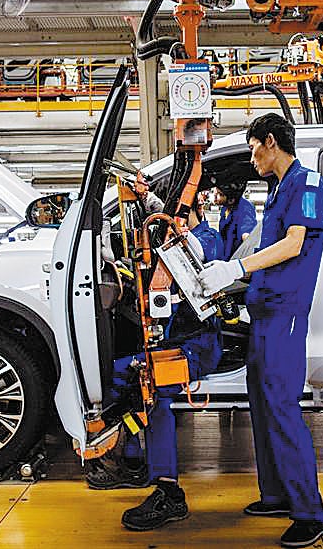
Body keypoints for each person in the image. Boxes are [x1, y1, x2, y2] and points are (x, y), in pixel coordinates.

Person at [198, 113, 323, 549]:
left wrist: (236, 267)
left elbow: (293, 245)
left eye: (253, 146)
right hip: (264, 315)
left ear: (270, 142)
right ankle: (276, 494)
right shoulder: (274, 194)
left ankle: (310, 512)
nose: (251, 156)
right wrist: (231, 281)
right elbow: (263, 251)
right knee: (262, 406)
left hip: (285, 316)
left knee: (283, 407)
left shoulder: (307, 185)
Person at [85, 194, 224, 533]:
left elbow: (195, 251)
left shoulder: (207, 237)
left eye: (179, 214)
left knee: (150, 388)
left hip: (198, 346)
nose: (168, 222)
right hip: (173, 341)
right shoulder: (167, 242)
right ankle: (132, 463)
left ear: (195, 210)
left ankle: (169, 492)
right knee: (123, 378)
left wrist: (158, 210)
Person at [217, 180, 257, 260]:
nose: (216, 196)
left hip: (236, 260)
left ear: (231, 200)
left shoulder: (245, 208)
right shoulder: (225, 208)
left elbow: (247, 233)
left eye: (220, 194)